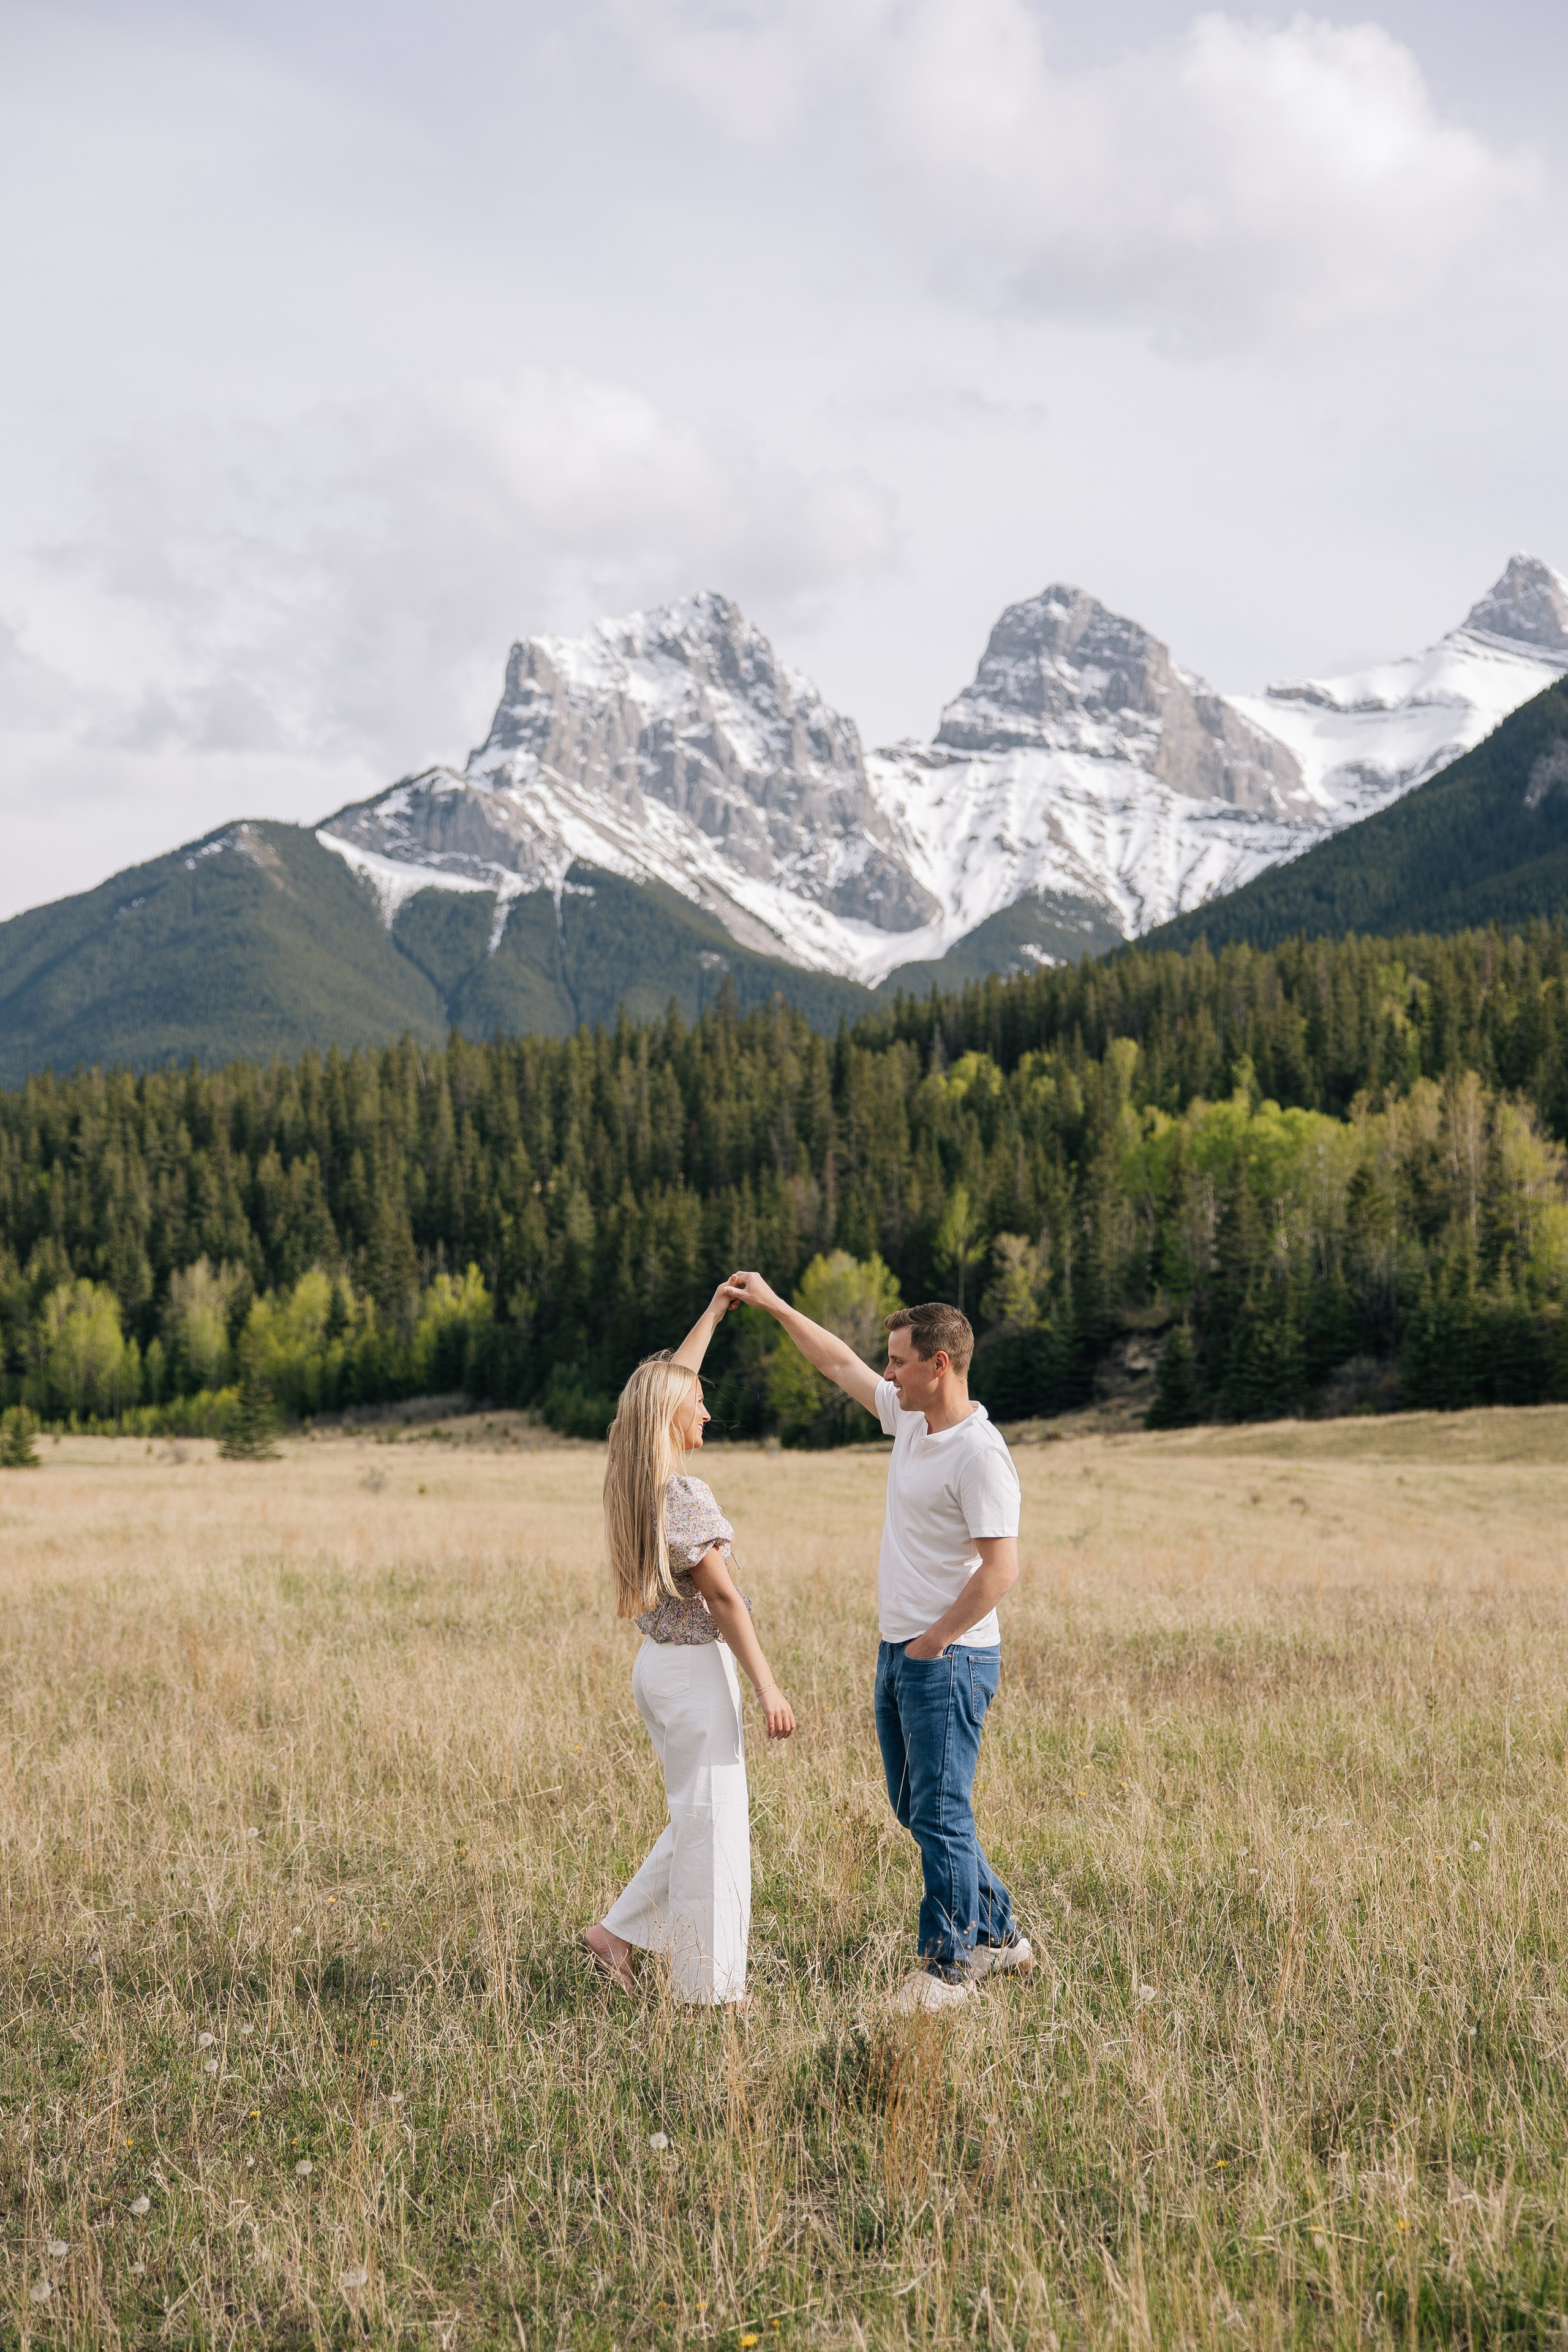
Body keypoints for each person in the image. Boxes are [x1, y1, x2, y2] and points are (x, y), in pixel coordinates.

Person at [726, 1275, 1030, 2012]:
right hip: (902, 1650)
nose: (886, 1374)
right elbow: (837, 1365)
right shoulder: (912, 1420)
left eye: (898, 1362)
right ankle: (1002, 1937)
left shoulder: (978, 1456)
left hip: (947, 1658)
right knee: (913, 1804)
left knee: (940, 1808)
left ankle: (948, 1967)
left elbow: (1001, 1572)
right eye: (888, 1362)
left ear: (940, 1366)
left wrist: (932, 1644)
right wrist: (773, 1306)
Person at [586, 1284, 796, 2006]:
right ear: (670, 1415)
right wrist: (769, 1685)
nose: (707, 1409)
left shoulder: (635, 1475)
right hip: (696, 1676)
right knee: (715, 1830)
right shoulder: (685, 1494)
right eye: (696, 1401)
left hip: (658, 1670)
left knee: (697, 1817)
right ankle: (709, 1994)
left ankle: (614, 1937)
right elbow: (724, 1597)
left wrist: (711, 1315)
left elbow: (661, 1387)